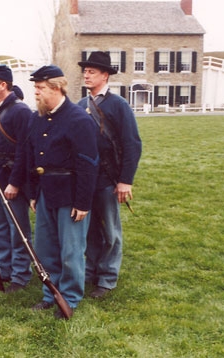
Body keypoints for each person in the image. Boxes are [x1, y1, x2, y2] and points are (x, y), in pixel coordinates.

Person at [27, 65, 99, 318]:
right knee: (46, 247)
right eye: (35, 88)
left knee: (70, 251)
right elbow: (36, 159)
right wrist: (35, 193)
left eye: (41, 88)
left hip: (70, 195)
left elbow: (88, 164)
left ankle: (69, 297)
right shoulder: (38, 118)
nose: (36, 93)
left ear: (57, 88)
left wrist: (83, 202)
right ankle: (50, 293)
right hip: (47, 193)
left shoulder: (78, 119)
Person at [77, 51, 142, 298]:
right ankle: (90, 272)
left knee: (110, 231)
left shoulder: (118, 105)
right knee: (90, 229)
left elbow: (132, 143)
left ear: (105, 75)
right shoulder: (80, 105)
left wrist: (125, 180)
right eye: (85, 71)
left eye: (92, 71)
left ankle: (107, 278)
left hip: (108, 178)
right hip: (86, 178)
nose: (86, 74)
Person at [0, 65, 33, 293]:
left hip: (12, 178)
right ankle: (4, 270)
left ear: (4, 85)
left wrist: (16, 182)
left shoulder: (21, 111)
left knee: (17, 228)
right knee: (0, 227)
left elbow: (25, 150)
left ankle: (20, 275)